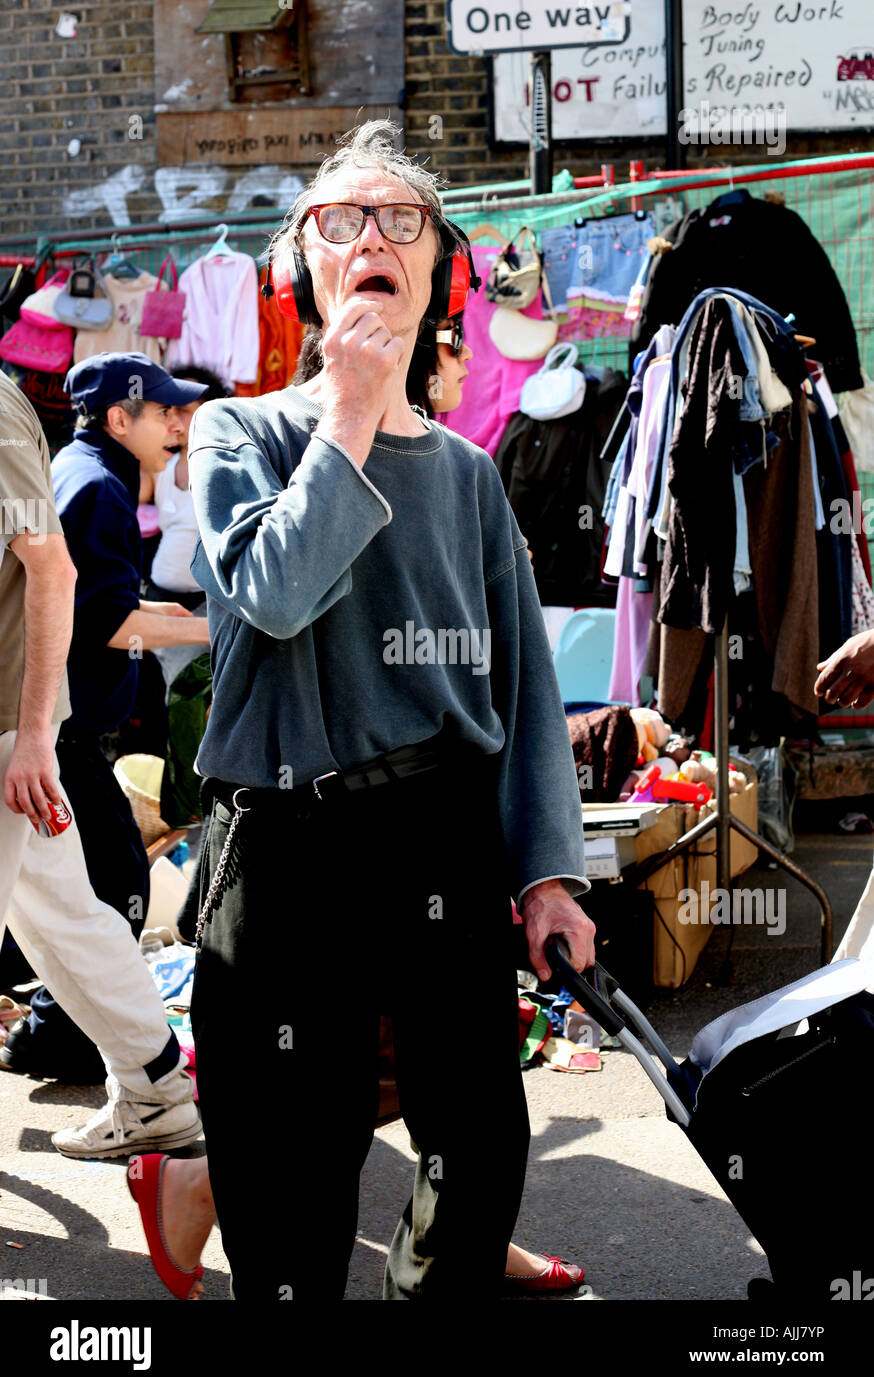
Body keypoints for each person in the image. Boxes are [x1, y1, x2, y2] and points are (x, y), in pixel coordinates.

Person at [184, 119, 595, 1303]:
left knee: (476, 1151)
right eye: (339, 220)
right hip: (287, 846)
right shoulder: (239, 433)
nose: (372, 236)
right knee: (287, 1171)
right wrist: (349, 411)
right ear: (298, 269)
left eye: (400, 218)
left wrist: (548, 875)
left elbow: (519, 694)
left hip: (442, 843)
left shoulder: (469, 478)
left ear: (440, 268)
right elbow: (270, 591)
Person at [0, 365, 200, 1158]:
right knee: (72, 917)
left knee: (81, 912)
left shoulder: (81, 474)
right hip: (37, 739)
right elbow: (102, 613)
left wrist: (36, 733)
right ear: (121, 419)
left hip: (25, 736)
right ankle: (155, 1088)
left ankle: (155, 1090)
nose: (180, 423)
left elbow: (61, 579)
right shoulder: (97, 482)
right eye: (166, 410)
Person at [138, 364, 230, 612]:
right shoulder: (159, 467)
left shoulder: (227, 464)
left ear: (210, 412)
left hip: (209, 601)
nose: (174, 420)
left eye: (184, 410)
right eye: (167, 411)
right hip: (158, 597)